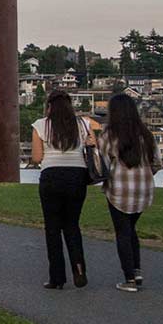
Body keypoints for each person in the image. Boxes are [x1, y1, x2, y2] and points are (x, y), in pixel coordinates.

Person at [30, 89, 98, 289]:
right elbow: (93, 144)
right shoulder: (83, 123)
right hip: (77, 176)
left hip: (52, 176)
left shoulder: (40, 125)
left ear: (49, 106)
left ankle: (57, 277)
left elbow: (36, 157)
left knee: (52, 228)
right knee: (72, 225)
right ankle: (79, 269)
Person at [97, 90, 157, 292]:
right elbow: (157, 162)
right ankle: (137, 270)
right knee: (131, 229)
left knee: (122, 232)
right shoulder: (145, 134)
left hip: (119, 189)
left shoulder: (109, 135)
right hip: (143, 189)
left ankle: (129, 278)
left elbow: (102, 164)